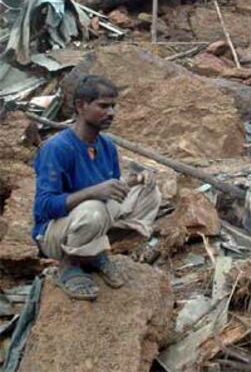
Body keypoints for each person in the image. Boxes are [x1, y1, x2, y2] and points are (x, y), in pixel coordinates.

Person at [32, 75, 161, 301]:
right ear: (81, 106)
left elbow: (112, 189)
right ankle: (69, 265)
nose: (111, 112)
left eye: (113, 106)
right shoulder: (57, 148)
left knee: (148, 193)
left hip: (90, 219)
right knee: (94, 208)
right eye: (103, 106)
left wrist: (137, 180)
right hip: (53, 233)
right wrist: (93, 193)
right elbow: (44, 207)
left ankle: (95, 253)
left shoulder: (106, 145)